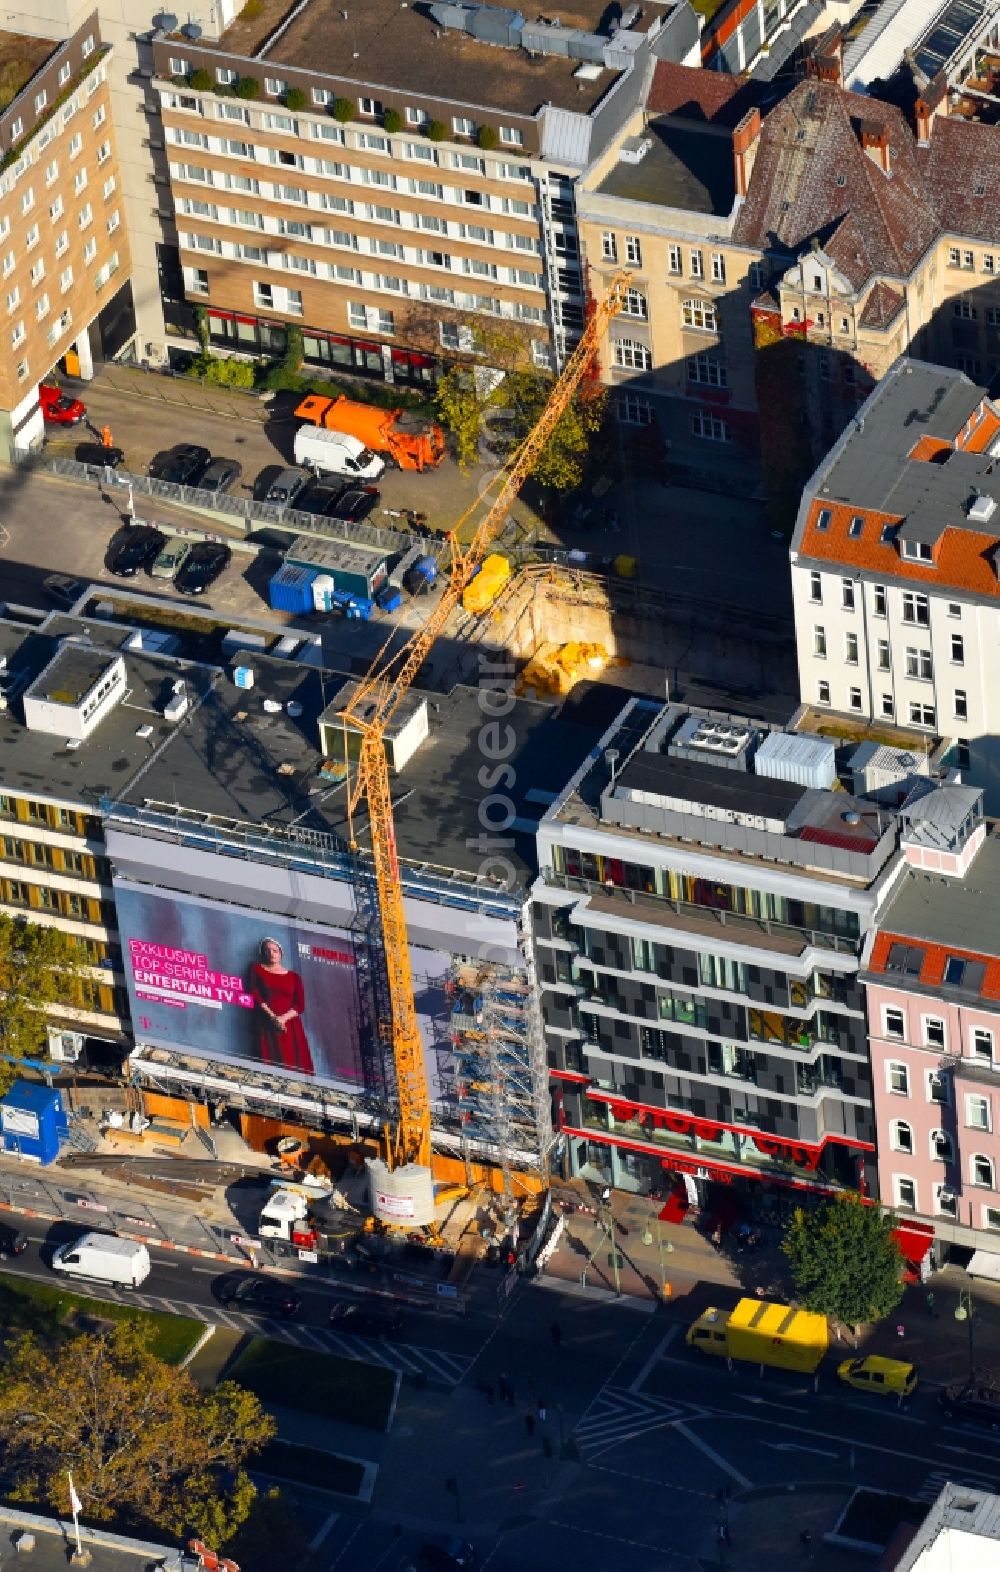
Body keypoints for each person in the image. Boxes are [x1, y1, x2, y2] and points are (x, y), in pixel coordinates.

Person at [249, 937, 315, 1075]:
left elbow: (300, 1005)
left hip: (290, 1026)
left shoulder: (294, 977)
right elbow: (255, 994)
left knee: (293, 1065)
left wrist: (283, 1019)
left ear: (281, 954)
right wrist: (273, 1017)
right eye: (267, 950)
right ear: (262, 953)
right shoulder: (256, 969)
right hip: (267, 1023)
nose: (271, 953)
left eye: (275, 950)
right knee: (270, 1065)